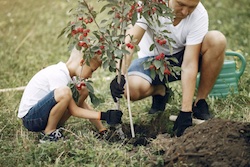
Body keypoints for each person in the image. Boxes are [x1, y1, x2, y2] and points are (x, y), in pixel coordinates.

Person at [110, 0, 226, 137]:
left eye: (191, 7)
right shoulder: (148, 5)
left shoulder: (199, 14)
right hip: (151, 62)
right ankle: (160, 90)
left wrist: (185, 111)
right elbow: (129, 43)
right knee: (130, 89)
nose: (185, 12)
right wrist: (121, 74)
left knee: (217, 40)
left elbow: (189, 64)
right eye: (181, 5)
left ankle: (199, 102)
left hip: (182, 59)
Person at [18, 47, 123, 143]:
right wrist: (104, 115)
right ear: (82, 62)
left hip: (42, 116)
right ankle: (49, 133)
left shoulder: (71, 79)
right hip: (31, 119)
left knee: (82, 91)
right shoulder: (58, 74)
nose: (90, 76)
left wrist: (101, 129)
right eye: (92, 71)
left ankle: (52, 127)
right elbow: (74, 110)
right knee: (65, 92)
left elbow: (82, 105)